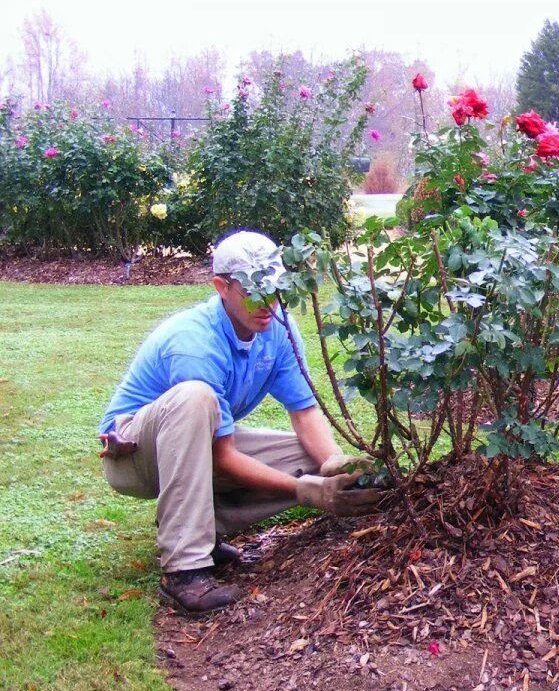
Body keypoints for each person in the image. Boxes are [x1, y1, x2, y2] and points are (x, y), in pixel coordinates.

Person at [98, 230, 382, 614]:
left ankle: (205, 529)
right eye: (253, 289)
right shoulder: (193, 341)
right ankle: (183, 571)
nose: (267, 301)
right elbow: (223, 457)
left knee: (309, 455)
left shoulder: (277, 328)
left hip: (197, 443)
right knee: (194, 397)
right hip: (134, 456)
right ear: (221, 286)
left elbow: (304, 411)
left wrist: (333, 464)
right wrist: (308, 492)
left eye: (275, 287)